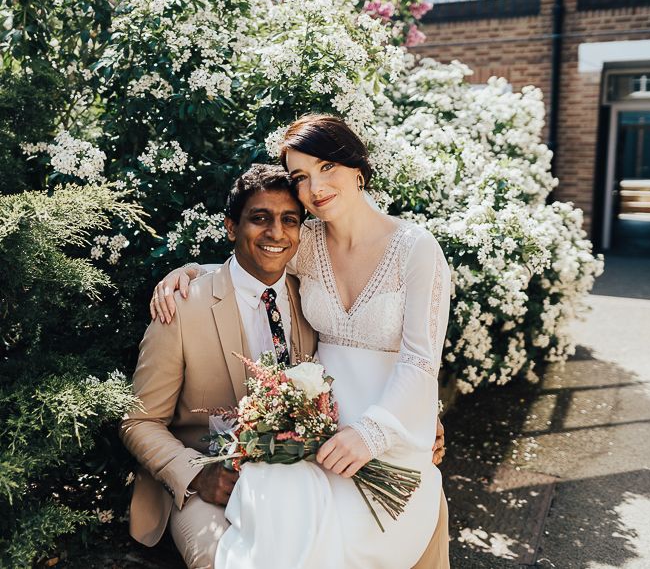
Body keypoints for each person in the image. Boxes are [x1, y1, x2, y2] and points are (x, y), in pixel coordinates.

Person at [125, 162, 448, 568]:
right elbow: (138, 421)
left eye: (289, 220)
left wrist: (415, 417)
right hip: (208, 481)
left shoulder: (308, 294)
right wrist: (197, 474)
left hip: (296, 472)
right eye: (260, 218)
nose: (276, 233)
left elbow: (368, 357)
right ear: (231, 227)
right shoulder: (182, 308)